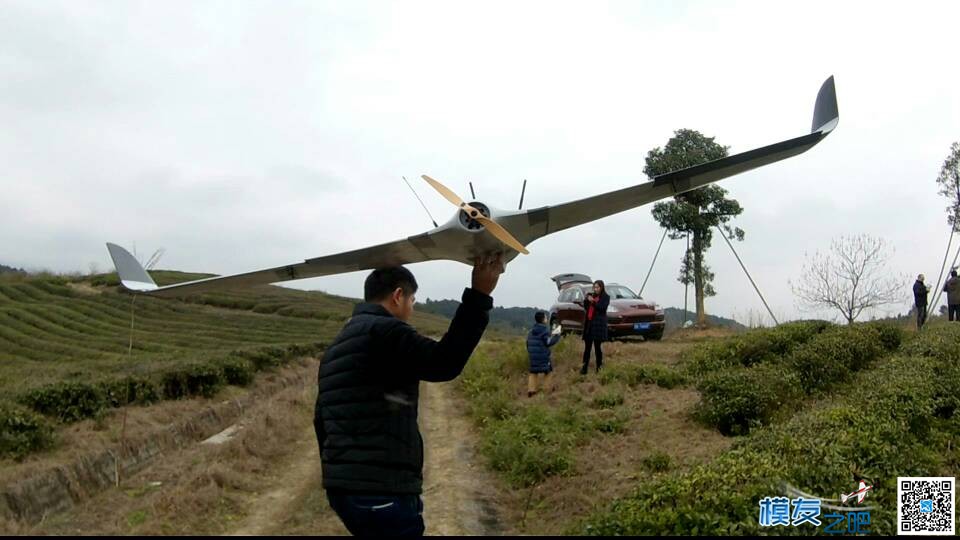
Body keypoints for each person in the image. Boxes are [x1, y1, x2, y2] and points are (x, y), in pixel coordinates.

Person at [314, 254, 504, 537]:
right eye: (412, 301)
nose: (411, 310)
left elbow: (320, 421)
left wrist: (340, 474)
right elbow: (444, 362)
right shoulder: (386, 331)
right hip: (382, 490)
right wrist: (479, 295)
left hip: (344, 492)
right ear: (398, 296)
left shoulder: (338, 345)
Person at [526, 311, 561, 397]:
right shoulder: (544, 330)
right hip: (543, 356)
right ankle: (546, 389)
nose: (547, 319)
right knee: (548, 371)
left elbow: (527, 343)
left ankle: (531, 390)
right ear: (543, 320)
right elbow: (548, 342)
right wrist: (557, 336)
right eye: (545, 317)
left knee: (533, 371)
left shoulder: (531, 331)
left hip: (533, 356)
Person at [580, 280, 610, 375]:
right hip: (590, 324)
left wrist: (592, 302)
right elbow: (586, 307)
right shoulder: (592, 295)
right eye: (595, 287)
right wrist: (586, 300)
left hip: (599, 325)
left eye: (598, 287)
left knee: (597, 348)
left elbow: (602, 307)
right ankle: (584, 368)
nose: (596, 289)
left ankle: (599, 368)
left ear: (601, 288)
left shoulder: (605, 297)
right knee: (587, 348)